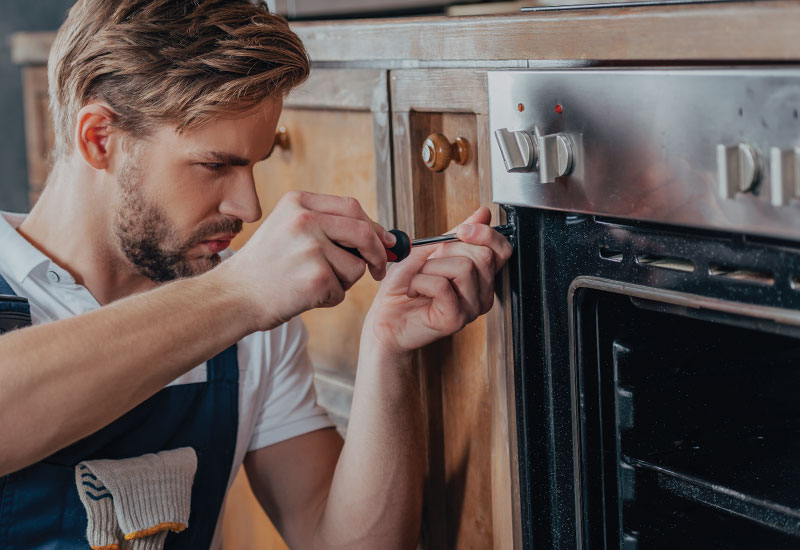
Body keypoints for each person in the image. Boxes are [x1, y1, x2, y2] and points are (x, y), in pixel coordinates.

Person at [0, 1, 512, 549]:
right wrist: (238, 291)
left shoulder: (248, 320)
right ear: (100, 138)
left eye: (255, 164)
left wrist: (388, 351)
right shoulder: (236, 298)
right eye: (216, 165)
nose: (249, 206)